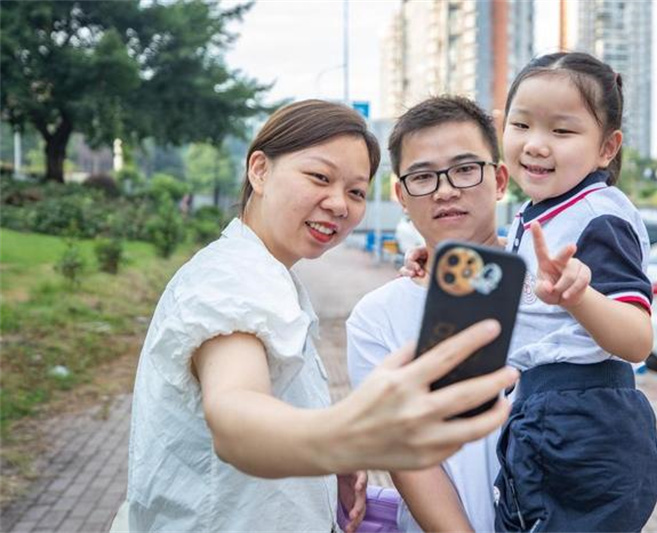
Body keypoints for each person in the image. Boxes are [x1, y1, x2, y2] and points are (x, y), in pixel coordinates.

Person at [124, 100, 518, 533]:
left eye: (355, 191)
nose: (338, 204)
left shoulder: (267, 275)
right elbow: (233, 414)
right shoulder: (229, 281)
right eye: (319, 177)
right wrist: (341, 438)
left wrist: (331, 463)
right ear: (260, 170)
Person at [493, 52, 657, 532]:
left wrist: (580, 298)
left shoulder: (599, 215)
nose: (535, 145)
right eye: (522, 125)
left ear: (607, 149)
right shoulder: (539, 212)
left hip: (583, 422)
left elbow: (636, 339)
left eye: (562, 131)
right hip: (549, 415)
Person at [347, 96, 510, 533]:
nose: (445, 189)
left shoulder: (559, 287)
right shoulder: (377, 317)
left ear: (499, 179)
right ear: (400, 195)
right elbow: (406, 457)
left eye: (464, 169)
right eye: (422, 176)